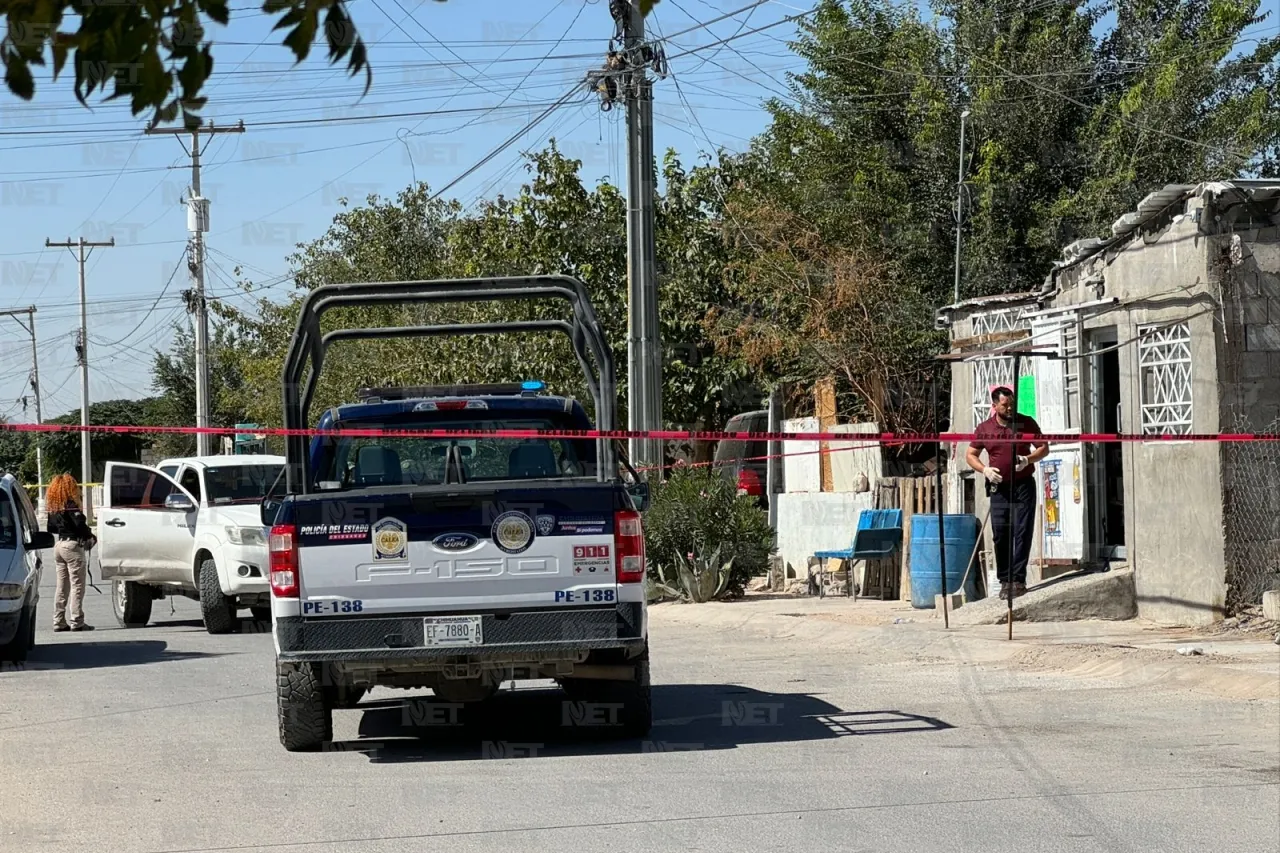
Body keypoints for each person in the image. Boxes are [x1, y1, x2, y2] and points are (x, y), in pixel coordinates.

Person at [966, 385, 1049, 600]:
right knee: (1001, 534)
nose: (1010, 408)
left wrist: (1027, 459)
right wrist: (984, 469)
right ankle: (1005, 579)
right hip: (999, 487)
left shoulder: (1026, 422)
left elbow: (1043, 447)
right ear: (995, 406)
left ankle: (1018, 580)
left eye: (1012, 403)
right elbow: (970, 454)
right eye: (1005, 404)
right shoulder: (985, 428)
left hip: (1023, 485)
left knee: (1022, 531)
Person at [45, 474, 96, 632]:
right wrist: (89, 536)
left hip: (59, 545)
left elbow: (51, 528)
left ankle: (58, 620)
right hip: (72, 546)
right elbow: (80, 524)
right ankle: (77, 620)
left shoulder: (54, 507)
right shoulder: (70, 504)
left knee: (62, 586)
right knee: (77, 585)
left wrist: (63, 527)